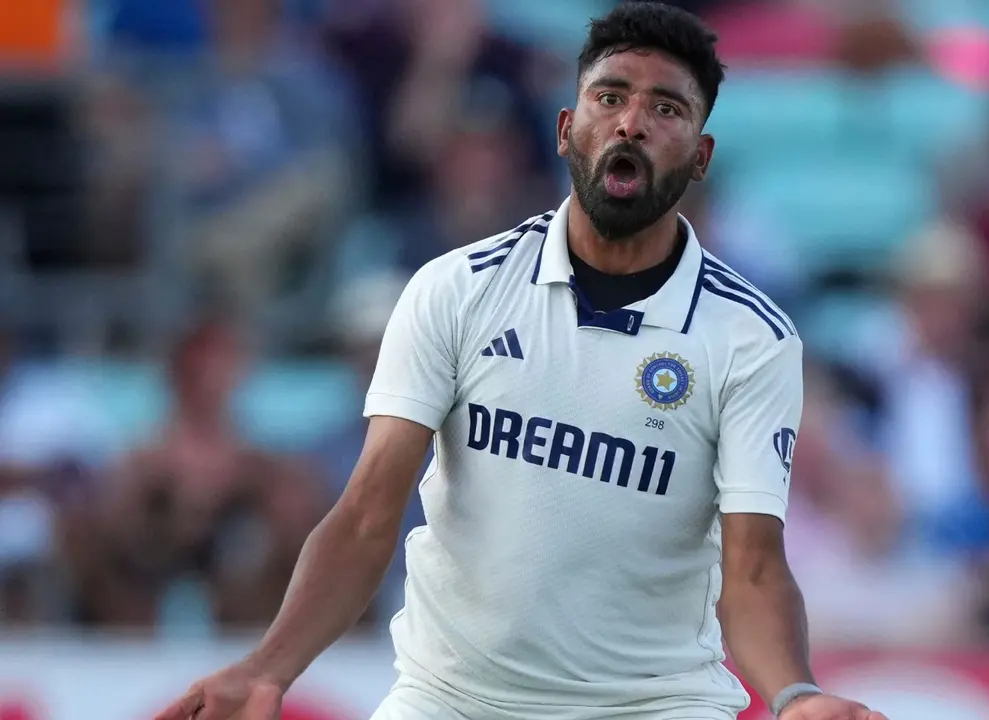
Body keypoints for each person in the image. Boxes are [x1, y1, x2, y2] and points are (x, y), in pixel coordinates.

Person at [154, 4, 888, 720]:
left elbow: (754, 564)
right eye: (610, 97)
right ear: (568, 130)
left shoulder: (752, 337)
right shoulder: (455, 289)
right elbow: (367, 514)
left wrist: (796, 696)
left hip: (656, 703)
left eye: (667, 108)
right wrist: (265, 669)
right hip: (450, 698)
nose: (632, 121)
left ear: (700, 155)